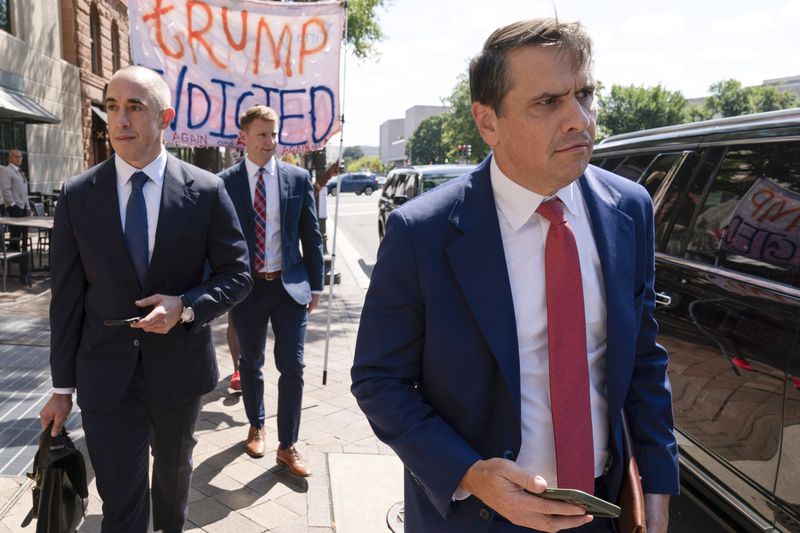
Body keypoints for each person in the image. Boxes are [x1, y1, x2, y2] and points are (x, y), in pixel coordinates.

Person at [351, 18, 679, 533]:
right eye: (548, 102)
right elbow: (378, 380)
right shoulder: (423, 232)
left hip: (601, 512)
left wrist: (658, 485)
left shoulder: (629, 209)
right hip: (473, 516)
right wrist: (470, 473)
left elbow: (641, 359)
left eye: (585, 94)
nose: (579, 119)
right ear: (488, 122)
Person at [39, 65, 252, 533]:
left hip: (179, 372)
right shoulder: (78, 196)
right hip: (104, 373)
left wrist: (186, 306)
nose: (120, 119)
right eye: (112, 107)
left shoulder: (207, 192)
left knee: (172, 486)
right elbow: (67, 299)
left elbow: (237, 275)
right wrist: (61, 388)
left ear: (165, 117)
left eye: (135, 107)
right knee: (120, 501)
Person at [219, 105, 324, 476]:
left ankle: (288, 445)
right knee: (250, 364)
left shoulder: (296, 179)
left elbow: (311, 236)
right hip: (246, 289)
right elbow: (214, 240)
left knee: (292, 365)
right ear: (243, 138)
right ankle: (256, 424)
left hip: (288, 287)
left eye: (274, 133)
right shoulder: (225, 182)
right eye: (262, 134)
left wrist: (317, 285)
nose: (271, 141)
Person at [0, 149, 30, 248]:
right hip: (15, 205)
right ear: (10, 158)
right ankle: (14, 252)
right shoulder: (6, 170)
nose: (19, 159)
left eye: (20, 156)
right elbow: (6, 189)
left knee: (24, 230)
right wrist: (12, 205)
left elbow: (24, 191)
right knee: (15, 231)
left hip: (23, 205)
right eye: (16, 156)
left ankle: (23, 253)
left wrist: (28, 207)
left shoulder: (19, 171)